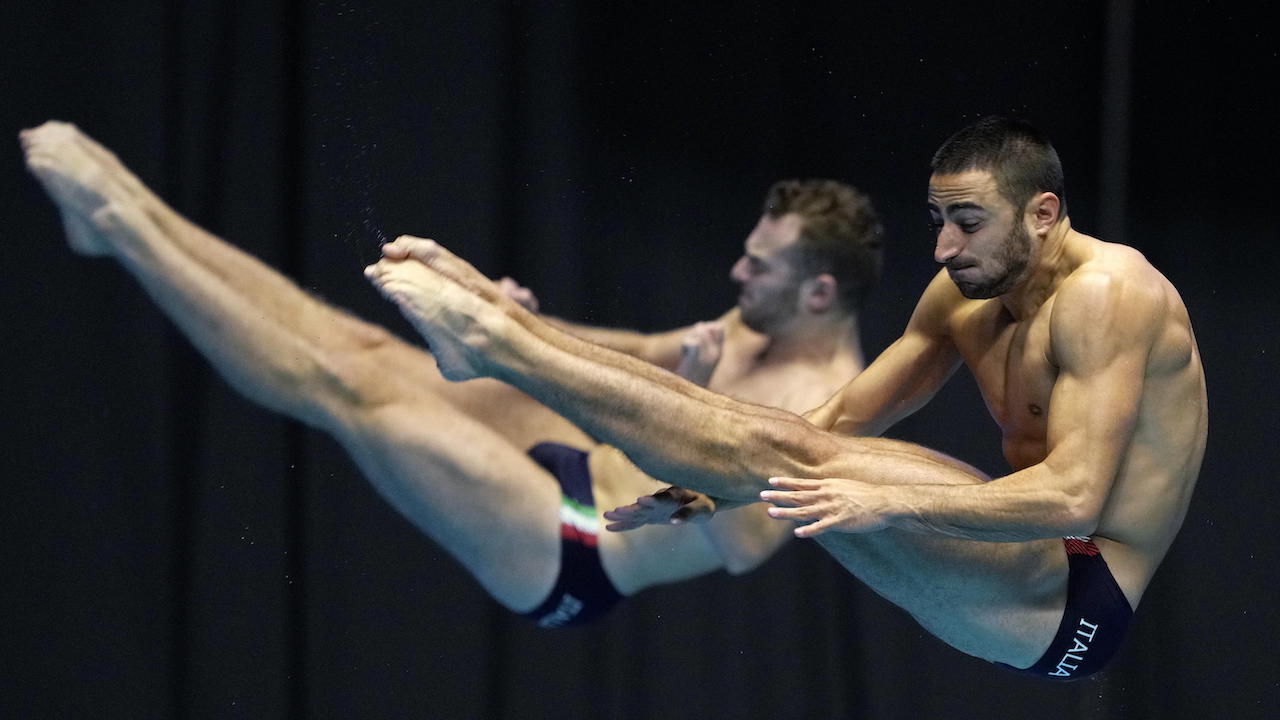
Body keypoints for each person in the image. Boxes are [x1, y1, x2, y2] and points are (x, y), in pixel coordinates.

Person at [359, 116, 1207, 680]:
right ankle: (503, 342)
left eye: (970, 221)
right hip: (1025, 569)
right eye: (938, 218)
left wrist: (886, 501)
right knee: (788, 450)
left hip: (1082, 599)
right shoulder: (961, 296)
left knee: (804, 465)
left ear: (1045, 213)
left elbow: (1075, 493)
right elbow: (833, 421)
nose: (945, 245)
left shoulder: (1108, 294)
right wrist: (704, 491)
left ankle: (501, 345)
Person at [19, 120, 885, 627]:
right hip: (570, 459)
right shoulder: (757, 319)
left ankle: (117, 223)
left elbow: (737, 546)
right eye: (745, 253)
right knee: (361, 349)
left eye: (760, 268)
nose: (737, 275)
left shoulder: (831, 408)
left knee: (350, 393)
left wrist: (682, 423)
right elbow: (645, 353)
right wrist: (511, 323)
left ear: (818, 292)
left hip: (571, 544)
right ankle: (135, 212)